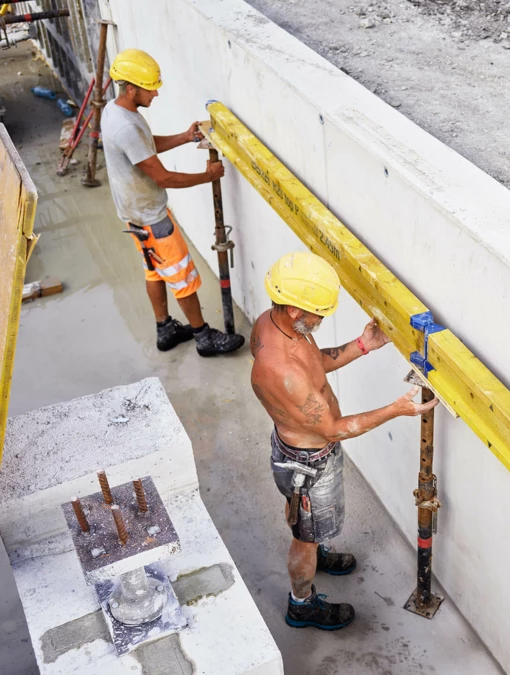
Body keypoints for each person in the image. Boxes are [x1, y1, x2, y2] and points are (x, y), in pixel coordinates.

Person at [250, 252, 438, 630]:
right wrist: (395, 410)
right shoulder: (282, 370)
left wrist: (363, 345)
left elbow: (314, 363)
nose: (321, 319)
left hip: (301, 452)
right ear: (292, 309)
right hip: (308, 463)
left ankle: (317, 548)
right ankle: (301, 604)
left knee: (308, 529)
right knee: (304, 537)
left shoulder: (275, 326)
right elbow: (333, 428)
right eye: (317, 312)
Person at [101, 48, 244, 356]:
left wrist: (184, 137)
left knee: (153, 270)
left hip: (134, 215)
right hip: (152, 219)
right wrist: (208, 176)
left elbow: (145, 149)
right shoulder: (125, 126)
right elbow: (163, 177)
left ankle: (165, 329)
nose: (156, 93)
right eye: (149, 87)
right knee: (183, 278)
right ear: (130, 89)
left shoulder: (116, 111)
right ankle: (204, 338)